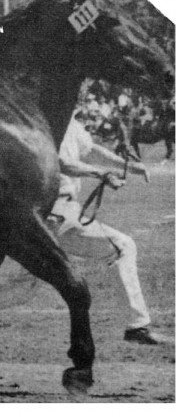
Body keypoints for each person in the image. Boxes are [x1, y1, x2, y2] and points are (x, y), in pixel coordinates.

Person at [50, 114, 169, 345]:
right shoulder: (57, 120)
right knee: (123, 246)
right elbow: (64, 163)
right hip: (55, 214)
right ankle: (137, 327)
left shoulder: (70, 121)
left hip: (60, 213)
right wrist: (101, 173)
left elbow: (91, 149)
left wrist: (128, 166)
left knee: (10, 288)